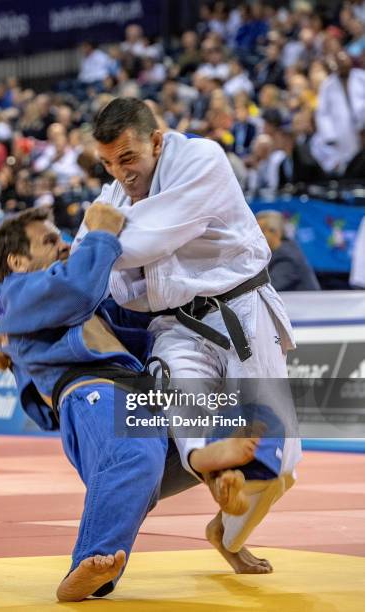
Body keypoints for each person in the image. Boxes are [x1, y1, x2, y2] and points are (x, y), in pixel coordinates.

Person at [0, 206, 273, 601]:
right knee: (134, 454)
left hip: (143, 388)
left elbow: (145, 312)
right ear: (17, 261)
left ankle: (218, 493)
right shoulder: (15, 291)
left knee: (228, 434)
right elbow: (73, 289)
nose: (65, 243)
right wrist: (104, 234)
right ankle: (93, 562)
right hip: (95, 388)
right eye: (49, 240)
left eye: (61, 236)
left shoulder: (85, 297)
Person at [74, 97, 301, 543]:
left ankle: (227, 533)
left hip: (240, 312)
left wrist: (104, 234)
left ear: (156, 142)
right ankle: (211, 467)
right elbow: (88, 260)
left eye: (128, 158)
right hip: (174, 326)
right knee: (188, 412)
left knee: (278, 464)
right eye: (107, 164)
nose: (121, 173)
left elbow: (140, 242)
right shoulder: (115, 194)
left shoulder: (202, 159)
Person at [256, 210, 320, 291]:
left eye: (261, 231)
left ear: (276, 232)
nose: (256, 236)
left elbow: (267, 289)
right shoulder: (284, 250)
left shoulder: (287, 257)